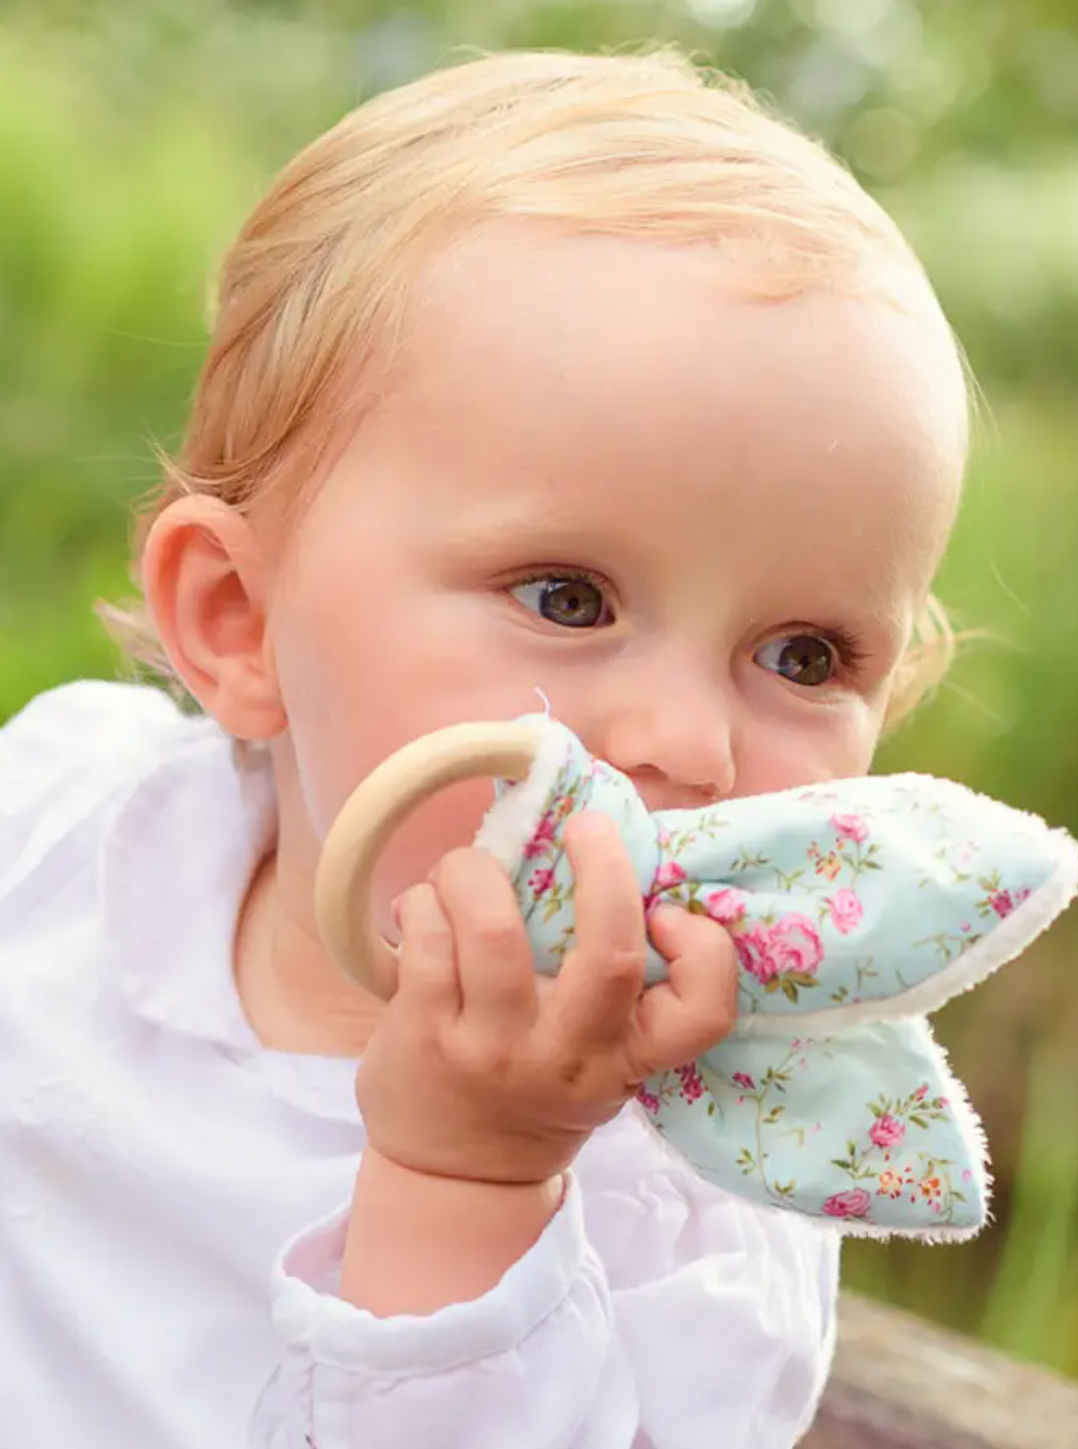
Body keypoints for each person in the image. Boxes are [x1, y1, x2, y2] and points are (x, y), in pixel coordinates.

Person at [0, 46, 968, 1448]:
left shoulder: (704, 1167)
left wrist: (473, 1183)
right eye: (568, 600)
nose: (689, 745)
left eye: (804, 656)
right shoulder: (63, 815)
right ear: (241, 622)